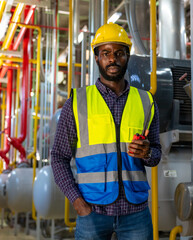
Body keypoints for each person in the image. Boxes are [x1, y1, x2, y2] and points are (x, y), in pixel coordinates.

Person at [51, 22, 161, 240]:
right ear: (97, 57)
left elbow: (156, 153)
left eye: (119, 53)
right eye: (106, 53)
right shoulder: (77, 103)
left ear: (128, 56)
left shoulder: (146, 101)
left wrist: (147, 153)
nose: (113, 59)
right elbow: (58, 157)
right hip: (92, 212)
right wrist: (76, 201)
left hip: (136, 213)